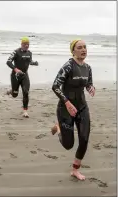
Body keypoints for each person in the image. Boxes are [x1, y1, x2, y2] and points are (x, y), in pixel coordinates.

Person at [51, 39, 95, 181]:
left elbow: (88, 83)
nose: (83, 50)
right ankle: (58, 128)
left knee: (84, 139)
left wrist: (90, 88)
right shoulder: (68, 66)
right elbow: (55, 86)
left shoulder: (87, 67)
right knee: (68, 145)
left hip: (82, 107)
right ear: (73, 51)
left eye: (85, 47)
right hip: (66, 108)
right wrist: (67, 103)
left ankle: (75, 170)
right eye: (80, 47)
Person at [6, 37, 39, 118]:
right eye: (25, 44)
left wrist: (34, 63)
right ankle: (12, 90)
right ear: (21, 44)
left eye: (28, 44)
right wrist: (16, 69)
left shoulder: (29, 53)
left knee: (26, 92)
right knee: (15, 95)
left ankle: (25, 111)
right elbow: (8, 61)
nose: (26, 46)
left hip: (24, 75)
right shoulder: (16, 52)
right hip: (15, 76)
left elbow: (29, 61)